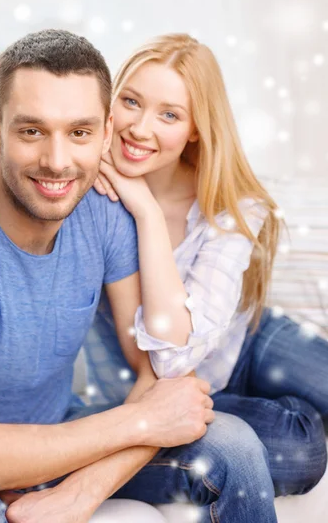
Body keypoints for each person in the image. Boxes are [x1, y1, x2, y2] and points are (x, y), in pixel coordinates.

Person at [0, 29, 280, 523]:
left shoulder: (103, 209)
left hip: (59, 433)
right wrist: (141, 421)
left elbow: (165, 369)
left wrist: (86, 488)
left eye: (80, 132)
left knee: (233, 444)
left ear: (107, 132)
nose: (58, 161)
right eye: (32, 131)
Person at [86, 32, 328, 501]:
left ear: (195, 128)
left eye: (170, 115)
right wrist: (147, 213)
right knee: (299, 451)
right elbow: (169, 361)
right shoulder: (94, 194)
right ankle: (289, 413)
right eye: (131, 102)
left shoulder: (230, 204)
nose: (139, 128)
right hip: (181, 382)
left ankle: (288, 405)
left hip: (247, 336)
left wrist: (147, 208)